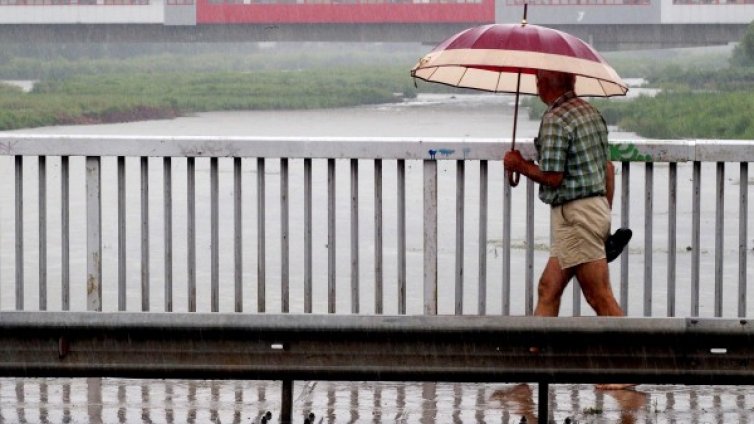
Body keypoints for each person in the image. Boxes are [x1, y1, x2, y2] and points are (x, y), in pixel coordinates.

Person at [504, 70, 632, 390]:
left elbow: (554, 177)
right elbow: (608, 170)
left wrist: (519, 166)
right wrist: (602, 216)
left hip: (574, 215)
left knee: (598, 295)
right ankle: (530, 367)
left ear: (547, 84)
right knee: (549, 287)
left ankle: (627, 368)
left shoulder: (556, 120)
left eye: (538, 80)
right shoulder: (592, 114)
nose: (535, 85)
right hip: (594, 210)